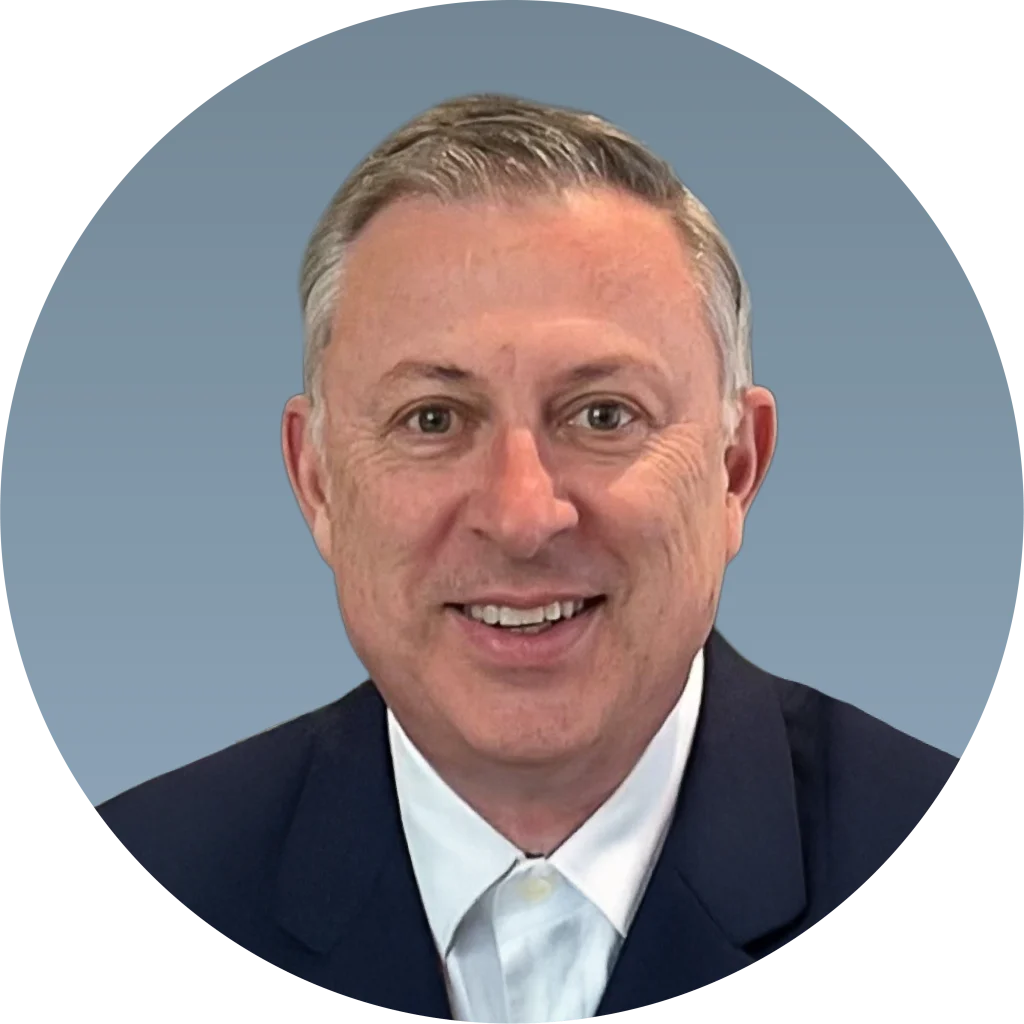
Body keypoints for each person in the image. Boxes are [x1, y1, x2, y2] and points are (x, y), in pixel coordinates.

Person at [95, 94, 957, 1021]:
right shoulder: (156, 864)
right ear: (318, 483)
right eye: (432, 419)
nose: (521, 516)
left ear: (734, 469)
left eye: (603, 415)